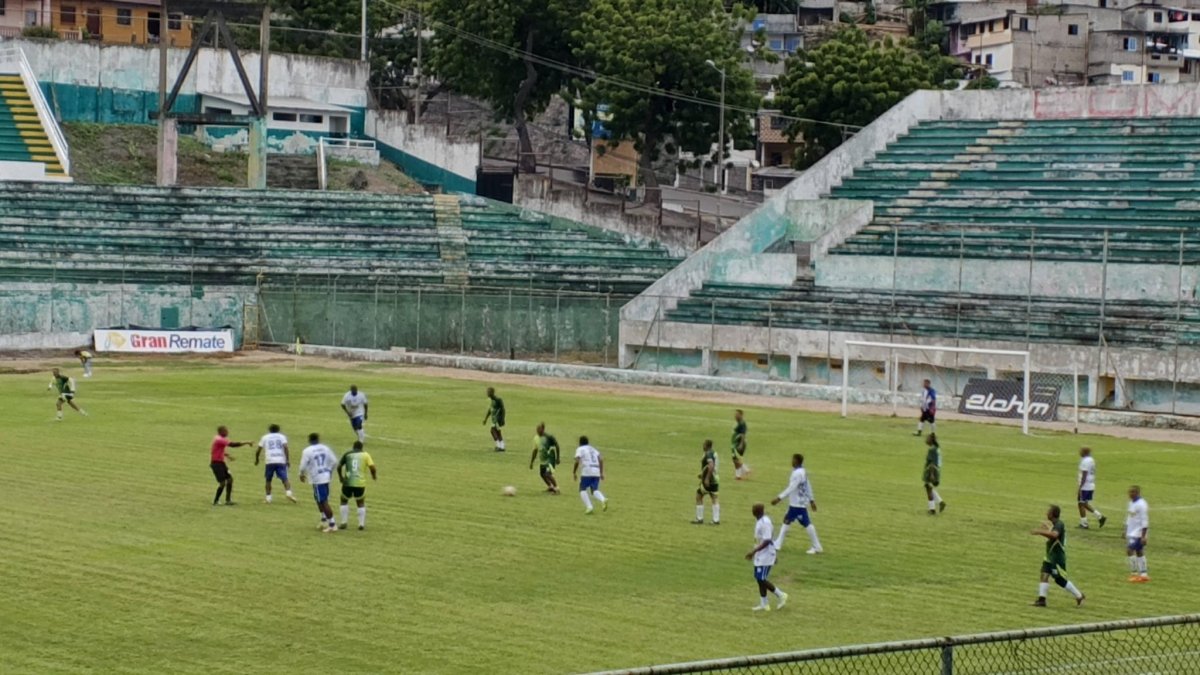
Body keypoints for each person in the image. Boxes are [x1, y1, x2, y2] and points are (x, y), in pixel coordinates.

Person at [1031, 504, 1085, 607]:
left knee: (1060, 580)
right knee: (1044, 574)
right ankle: (1042, 600)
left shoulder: (1059, 524)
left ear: (1052, 514)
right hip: (1050, 556)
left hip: (1056, 557)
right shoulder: (1055, 524)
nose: (1046, 513)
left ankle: (1079, 595)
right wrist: (1047, 529)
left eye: (1048, 511)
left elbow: (1054, 535)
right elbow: (1053, 535)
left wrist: (1039, 532)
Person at [771, 453, 823, 554]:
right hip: (799, 502)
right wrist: (811, 500)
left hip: (797, 504)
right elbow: (808, 486)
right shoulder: (802, 471)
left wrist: (779, 498)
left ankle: (817, 547)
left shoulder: (797, 474)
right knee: (787, 521)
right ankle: (778, 544)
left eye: (793, 460)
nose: (791, 461)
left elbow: (792, 487)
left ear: (797, 461)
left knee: (806, 523)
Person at [745, 503, 788, 612]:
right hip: (761, 554)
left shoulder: (765, 523)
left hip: (766, 554)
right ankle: (764, 603)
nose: (752, 511)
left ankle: (781, 595)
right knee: (759, 579)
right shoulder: (760, 521)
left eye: (754, 509)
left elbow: (767, 540)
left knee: (761, 578)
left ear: (757, 512)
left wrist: (753, 551)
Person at [299, 433, 340, 533]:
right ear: (318, 439)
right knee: (319, 499)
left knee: (323, 501)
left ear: (309, 440)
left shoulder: (307, 451)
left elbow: (303, 465)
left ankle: (332, 524)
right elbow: (335, 461)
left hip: (317, 478)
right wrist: (329, 470)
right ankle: (324, 519)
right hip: (325, 476)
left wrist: (301, 474)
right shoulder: (325, 448)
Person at [337, 441, 377, 531]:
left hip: (348, 482)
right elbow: (373, 467)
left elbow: (339, 466)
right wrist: (373, 475)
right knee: (360, 502)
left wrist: (341, 477)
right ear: (361, 448)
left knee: (344, 500)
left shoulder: (347, 454)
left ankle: (344, 522)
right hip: (360, 483)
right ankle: (361, 524)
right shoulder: (366, 455)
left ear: (353, 447)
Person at [210, 426, 252, 506]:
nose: (227, 432)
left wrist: (227, 455)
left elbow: (216, 450)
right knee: (222, 483)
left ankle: (228, 500)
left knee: (230, 479)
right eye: (226, 431)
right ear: (221, 432)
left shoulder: (217, 438)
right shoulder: (220, 439)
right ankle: (216, 501)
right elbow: (233, 445)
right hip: (216, 464)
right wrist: (246, 442)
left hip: (221, 463)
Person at [255, 424, 296, 504]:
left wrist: (257, 459)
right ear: (278, 430)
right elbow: (286, 447)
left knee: (268, 480)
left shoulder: (265, 437)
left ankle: (268, 498)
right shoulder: (281, 437)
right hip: (280, 460)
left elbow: (258, 450)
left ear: (269, 430)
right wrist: (287, 460)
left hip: (270, 461)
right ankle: (288, 493)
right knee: (285, 478)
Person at [573, 436, 608, 514]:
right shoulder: (593, 449)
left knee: (582, 489)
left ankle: (589, 507)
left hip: (587, 471)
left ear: (580, 443)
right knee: (594, 490)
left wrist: (574, 472)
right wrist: (601, 473)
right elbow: (601, 459)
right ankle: (603, 499)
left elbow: (577, 461)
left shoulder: (580, 449)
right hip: (596, 470)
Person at [1076, 447, 1106, 529]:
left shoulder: (1085, 461)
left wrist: (1080, 486)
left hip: (1085, 486)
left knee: (1081, 504)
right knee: (1084, 503)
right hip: (1090, 484)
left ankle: (1084, 524)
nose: (1080, 452)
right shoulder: (1091, 459)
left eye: (1081, 451)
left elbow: (1084, 474)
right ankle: (1100, 517)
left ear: (1084, 452)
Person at [1125, 485, 1150, 583]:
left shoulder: (1142, 504)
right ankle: (1144, 574)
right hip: (1132, 531)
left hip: (1138, 533)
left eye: (1132, 492)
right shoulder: (1131, 503)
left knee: (1129, 550)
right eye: (1129, 492)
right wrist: (1125, 529)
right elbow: (1130, 517)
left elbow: (1145, 521)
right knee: (1139, 552)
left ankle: (1134, 573)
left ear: (1137, 493)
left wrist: (1143, 536)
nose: (1130, 494)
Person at [529, 423, 561, 494]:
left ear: (543, 429)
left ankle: (557, 488)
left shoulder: (549, 437)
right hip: (543, 459)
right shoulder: (536, 438)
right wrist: (532, 462)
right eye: (537, 430)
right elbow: (535, 450)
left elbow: (557, 445)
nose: (537, 431)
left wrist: (558, 457)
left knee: (547, 474)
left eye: (539, 429)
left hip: (550, 458)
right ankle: (551, 486)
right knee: (542, 474)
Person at [694, 440, 720, 525]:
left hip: (710, 479)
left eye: (703, 445)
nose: (703, 447)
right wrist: (702, 475)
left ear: (706, 445)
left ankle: (699, 518)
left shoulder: (708, 454)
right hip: (716, 479)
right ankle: (716, 520)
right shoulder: (714, 452)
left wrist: (707, 478)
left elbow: (711, 465)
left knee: (699, 495)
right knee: (714, 498)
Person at [924, 433, 946, 515]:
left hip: (932, 470)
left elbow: (932, 462)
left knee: (928, 488)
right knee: (928, 487)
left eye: (927, 438)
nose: (926, 440)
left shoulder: (932, 450)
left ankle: (932, 509)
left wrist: (932, 474)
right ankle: (940, 502)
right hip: (937, 469)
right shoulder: (937, 448)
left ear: (931, 440)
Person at [483, 387, 506, 452]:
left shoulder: (498, 400)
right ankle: (501, 446)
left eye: (488, 392)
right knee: (498, 432)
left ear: (492, 393)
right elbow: (490, 410)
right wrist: (485, 419)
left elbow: (503, 409)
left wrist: (502, 419)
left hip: (497, 419)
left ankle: (499, 445)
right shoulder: (492, 400)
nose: (487, 393)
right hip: (494, 419)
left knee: (492, 430)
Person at [732, 410, 751, 481]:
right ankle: (738, 475)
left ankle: (746, 470)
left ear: (741, 415)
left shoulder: (742, 423)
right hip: (735, 443)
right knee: (735, 459)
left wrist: (741, 444)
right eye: (735, 414)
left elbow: (743, 435)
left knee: (735, 459)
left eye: (737, 414)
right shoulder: (738, 423)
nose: (735, 416)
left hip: (739, 443)